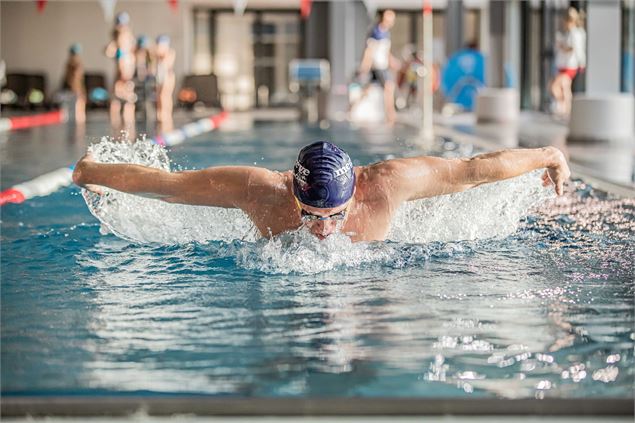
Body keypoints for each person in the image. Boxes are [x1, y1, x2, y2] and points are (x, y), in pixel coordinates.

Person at [72, 141, 570, 243]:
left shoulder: (388, 185)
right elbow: (169, 187)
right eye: (311, 215)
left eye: (334, 216)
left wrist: (548, 155)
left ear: (357, 194)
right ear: (293, 192)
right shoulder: (260, 191)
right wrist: (90, 171)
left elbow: (473, 170)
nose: (324, 231)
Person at [358, 9, 400, 125]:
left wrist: (392, 61)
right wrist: (364, 67)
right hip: (378, 66)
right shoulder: (376, 31)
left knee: (367, 89)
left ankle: (350, 109)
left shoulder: (386, 32)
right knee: (389, 87)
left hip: (382, 65)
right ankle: (391, 116)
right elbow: (369, 50)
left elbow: (386, 51)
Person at [105, 11, 137, 136]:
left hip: (122, 69)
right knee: (127, 100)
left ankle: (117, 129)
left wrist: (116, 54)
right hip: (127, 68)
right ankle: (128, 129)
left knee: (117, 100)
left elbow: (109, 51)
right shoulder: (129, 36)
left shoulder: (120, 34)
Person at [550, 7, 585, 119]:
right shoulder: (568, 33)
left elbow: (573, 49)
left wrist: (561, 45)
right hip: (563, 65)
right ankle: (567, 110)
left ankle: (564, 107)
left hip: (570, 65)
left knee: (554, 86)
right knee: (565, 88)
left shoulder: (576, 34)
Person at [154, 34, 176, 132]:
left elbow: (166, 63)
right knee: (159, 96)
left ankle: (166, 114)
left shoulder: (170, 52)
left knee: (165, 96)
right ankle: (160, 113)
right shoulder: (158, 53)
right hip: (160, 76)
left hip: (167, 76)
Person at [62, 43, 86, 124]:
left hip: (71, 87)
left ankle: (76, 122)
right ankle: (78, 123)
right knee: (78, 106)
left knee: (72, 107)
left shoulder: (69, 63)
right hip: (75, 87)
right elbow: (76, 77)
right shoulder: (76, 63)